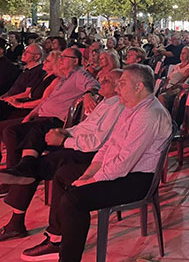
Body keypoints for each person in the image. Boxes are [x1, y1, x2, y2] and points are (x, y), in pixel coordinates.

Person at [18, 64, 172, 262]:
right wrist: (88, 173)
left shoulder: (148, 114)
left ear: (139, 86)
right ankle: (56, 239)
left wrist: (92, 180)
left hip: (138, 180)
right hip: (122, 171)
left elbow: (124, 163)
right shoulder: (132, 108)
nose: (117, 88)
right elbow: (108, 146)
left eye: (122, 84)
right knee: (63, 174)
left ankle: (68, 257)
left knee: (74, 200)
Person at [0, 69, 124, 244]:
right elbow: (84, 127)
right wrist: (65, 131)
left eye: (107, 80)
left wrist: (64, 140)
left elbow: (96, 143)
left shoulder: (118, 106)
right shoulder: (105, 101)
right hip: (76, 140)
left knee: (36, 167)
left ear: (119, 86)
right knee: (36, 134)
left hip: (88, 153)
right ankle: (24, 166)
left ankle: (25, 225)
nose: (101, 81)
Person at [1, 48, 100, 170]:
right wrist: (31, 115)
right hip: (41, 116)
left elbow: (94, 85)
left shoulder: (79, 74)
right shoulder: (64, 78)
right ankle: (17, 169)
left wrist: (88, 94)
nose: (60, 59)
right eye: (60, 57)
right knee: (9, 130)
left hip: (53, 120)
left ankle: (17, 170)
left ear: (75, 61)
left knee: (11, 132)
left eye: (64, 57)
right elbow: (46, 101)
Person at [0, 44, 46, 120]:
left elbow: (27, 93)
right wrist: (5, 96)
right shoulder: (27, 70)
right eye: (25, 51)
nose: (23, 54)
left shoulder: (37, 71)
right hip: (9, 100)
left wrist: (9, 98)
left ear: (36, 57)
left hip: (14, 104)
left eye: (27, 52)